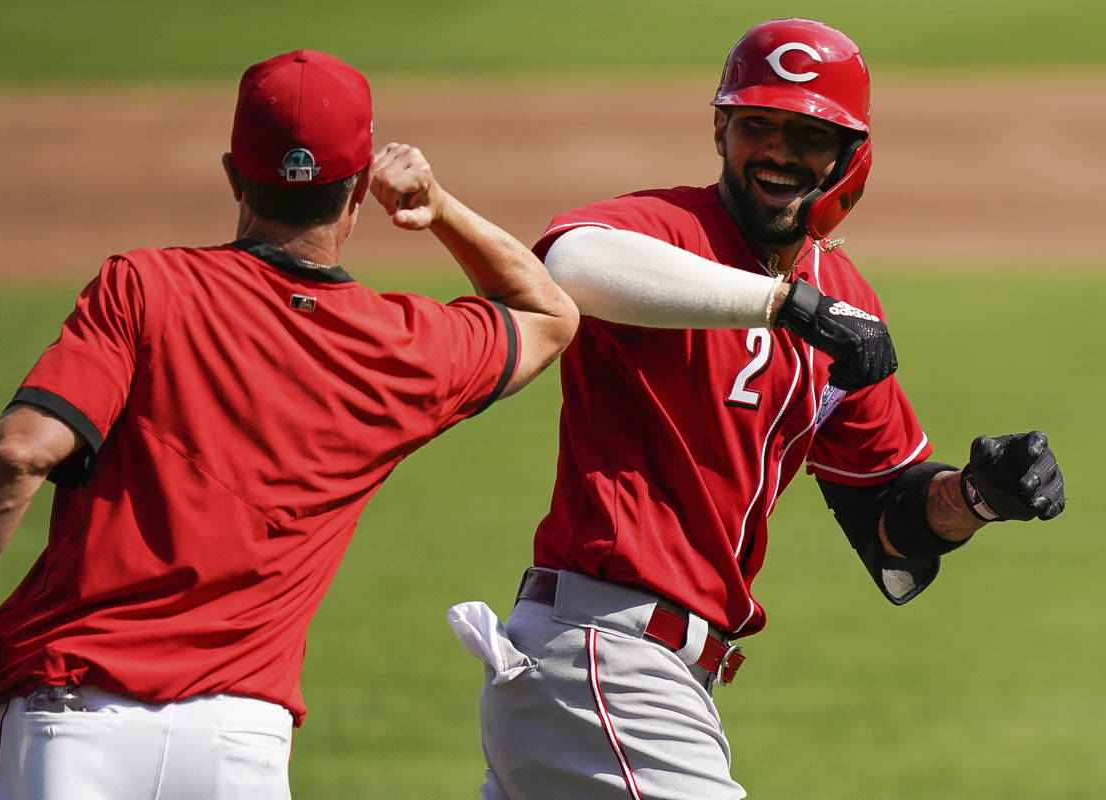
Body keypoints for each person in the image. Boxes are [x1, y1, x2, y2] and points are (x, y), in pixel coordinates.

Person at [0, 49, 578, 798]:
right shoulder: (404, 348)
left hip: (72, 723)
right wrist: (440, 205)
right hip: (239, 748)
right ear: (360, 187)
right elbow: (548, 314)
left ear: (233, 174)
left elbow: (16, 455)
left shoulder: (145, 291)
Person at [447, 18, 1066, 800]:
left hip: (644, 679)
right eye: (756, 125)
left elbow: (891, 518)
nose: (777, 150)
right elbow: (572, 263)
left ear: (850, 155)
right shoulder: (672, 234)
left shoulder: (844, 304)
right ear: (720, 129)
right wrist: (782, 304)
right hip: (608, 657)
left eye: (807, 132)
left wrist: (977, 497)